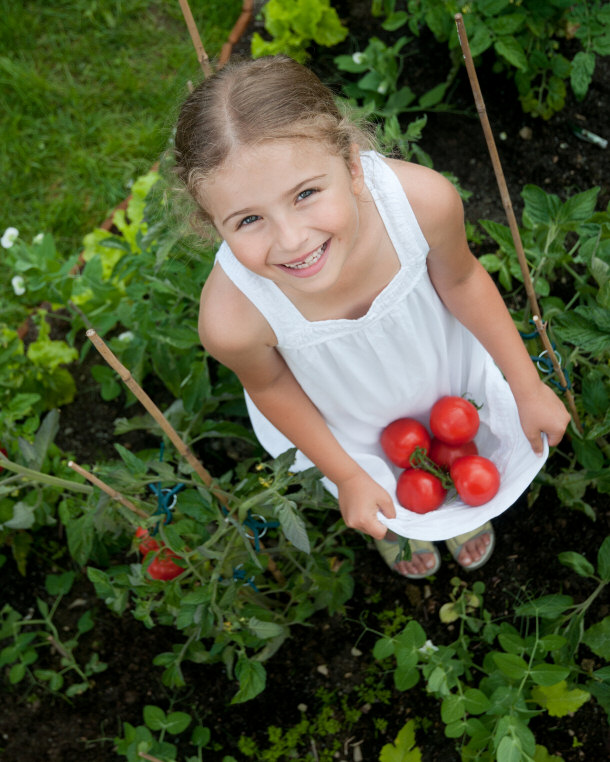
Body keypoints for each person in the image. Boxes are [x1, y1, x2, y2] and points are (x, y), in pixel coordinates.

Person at [173, 55, 570, 578]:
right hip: (346, 417)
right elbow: (271, 389)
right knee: (383, 494)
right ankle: (401, 516)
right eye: (248, 220)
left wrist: (526, 387)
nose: (292, 240)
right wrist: (347, 474)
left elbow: (462, 280)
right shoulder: (232, 320)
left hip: (440, 366)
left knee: (460, 447)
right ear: (211, 226)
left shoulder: (422, 204)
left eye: (307, 194)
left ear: (354, 165)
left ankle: (452, 506)